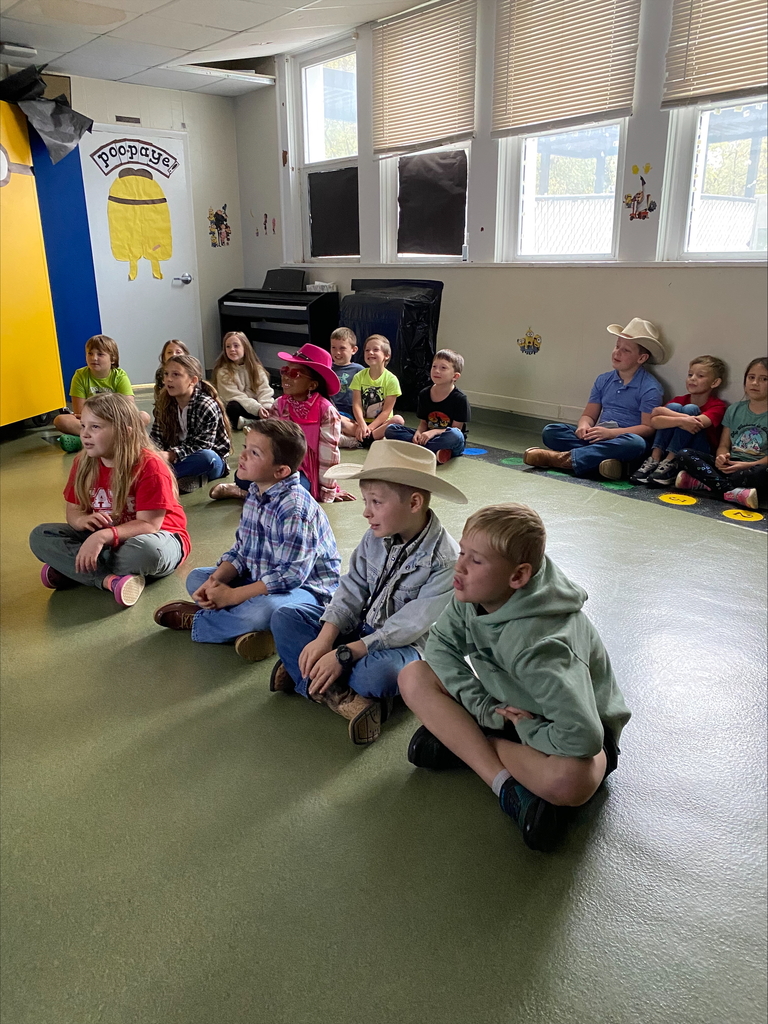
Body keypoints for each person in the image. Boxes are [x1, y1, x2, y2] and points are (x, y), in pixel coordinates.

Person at [398, 502, 631, 852]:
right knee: (413, 676)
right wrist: (485, 709)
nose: (459, 566)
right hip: (507, 712)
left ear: (518, 576)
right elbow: (442, 647)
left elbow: (582, 737)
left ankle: (466, 746)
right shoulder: (475, 592)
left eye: (476, 560)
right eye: (462, 551)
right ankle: (505, 784)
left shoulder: (542, 646)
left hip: (570, 735)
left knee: (571, 782)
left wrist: (523, 729)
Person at [269, 440, 467, 746]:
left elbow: (408, 628)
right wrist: (325, 638)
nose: (366, 512)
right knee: (285, 617)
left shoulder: (446, 561)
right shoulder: (378, 532)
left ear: (414, 503)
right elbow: (352, 586)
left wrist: (344, 652)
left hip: (402, 647)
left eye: (375, 501)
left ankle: (306, 673)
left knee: (376, 675)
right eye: (365, 500)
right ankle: (343, 697)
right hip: (358, 629)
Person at [153, 418, 341, 660]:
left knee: (266, 610)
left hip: (306, 591)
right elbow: (242, 551)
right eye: (245, 448)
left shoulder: (294, 508)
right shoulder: (255, 491)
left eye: (254, 453)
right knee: (196, 578)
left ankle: (202, 621)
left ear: (281, 471)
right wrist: (215, 581)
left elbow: (291, 576)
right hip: (261, 577)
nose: (242, 456)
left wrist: (232, 596)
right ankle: (250, 629)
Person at [30, 393, 189, 608]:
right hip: (107, 539)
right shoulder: (83, 463)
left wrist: (103, 536)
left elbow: (149, 525)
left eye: (95, 427)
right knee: (40, 536)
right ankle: (108, 580)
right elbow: (74, 511)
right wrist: (81, 522)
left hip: (156, 537)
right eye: (83, 425)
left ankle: (75, 567)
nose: (84, 434)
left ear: (125, 433)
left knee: (146, 553)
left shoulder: (150, 466)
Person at [524, 318, 666, 480]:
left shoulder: (650, 387)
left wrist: (611, 434)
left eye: (626, 350)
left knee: (635, 444)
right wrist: (584, 426)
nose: (617, 352)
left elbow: (647, 427)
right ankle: (604, 461)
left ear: (641, 358)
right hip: (599, 436)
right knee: (551, 431)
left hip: (623, 438)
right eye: (617, 346)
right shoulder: (603, 380)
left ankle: (562, 459)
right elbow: (589, 415)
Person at [675, 356, 767, 510]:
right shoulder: (735, 409)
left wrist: (747, 464)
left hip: (753, 467)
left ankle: (705, 483)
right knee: (684, 454)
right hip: (730, 465)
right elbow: (724, 445)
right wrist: (721, 458)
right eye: (751, 377)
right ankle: (730, 491)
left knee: (762, 473)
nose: (755, 383)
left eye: (764, 379)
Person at [269, 343, 354, 503]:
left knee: (293, 493)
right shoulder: (279, 404)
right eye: (285, 371)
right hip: (278, 465)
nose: (286, 376)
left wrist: (327, 490)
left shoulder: (326, 411)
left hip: (304, 471)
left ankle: (249, 493)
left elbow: (329, 456)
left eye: (294, 373)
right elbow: (268, 442)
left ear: (312, 385)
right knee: (243, 478)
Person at [632, 355, 727, 486]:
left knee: (690, 409)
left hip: (699, 451)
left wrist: (663, 412)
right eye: (690, 374)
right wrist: (680, 421)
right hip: (675, 444)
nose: (693, 379)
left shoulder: (717, 406)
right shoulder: (679, 400)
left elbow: (697, 423)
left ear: (715, 382)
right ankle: (655, 459)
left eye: (700, 376)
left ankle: (670, 463)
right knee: (674, 407)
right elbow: (654, 422)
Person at [150, 354, 231, 493]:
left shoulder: (206, 405)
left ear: (192, 380)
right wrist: (154, 453)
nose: (168, 379)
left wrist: (170, 456)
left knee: (207, 457)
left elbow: (202, 446)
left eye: (176, 375)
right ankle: (188, 479)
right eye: (166, 374)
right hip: (175, 460)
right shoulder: (163, 403)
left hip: (207, 461)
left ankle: (159, 478)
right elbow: (156, 436)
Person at [54, 334, 150, 450]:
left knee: (143, 416)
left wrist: (105, 418)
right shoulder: (80, 376)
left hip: (115, 420)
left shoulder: (119, 376)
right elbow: (80, 412)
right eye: (90, 353)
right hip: (91, 422)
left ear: (112, 358)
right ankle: (116, 440)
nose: (94, 358)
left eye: (100, 354)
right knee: (61, 420)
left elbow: (128, 408)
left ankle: (84, 442)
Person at [385, 348, 470, 464]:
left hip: (448, 439)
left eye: (443, 368)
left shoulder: (460, 399)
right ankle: (433, 451)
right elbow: (424, 423)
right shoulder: (424, 394)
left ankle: (419, 450)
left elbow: (457, 429)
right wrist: (418, 433)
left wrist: (433, 432)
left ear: (455, 376)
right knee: (391, 429)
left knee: (455, 435)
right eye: (434, 366)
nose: (436, 371)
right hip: (427, 437)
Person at [212, 331, 275, 430]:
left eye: (236, 346)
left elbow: (264, 390)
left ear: (245, 347)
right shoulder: (223, 372)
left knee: (276, 405)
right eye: (228, 347)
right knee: (232, 408)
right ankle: (256, 422)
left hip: (257, 406)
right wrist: (257, 409)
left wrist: (265, 407)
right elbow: (235, 396)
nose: (232, 349)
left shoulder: (256, 369)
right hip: (244, 407)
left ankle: (253, 422)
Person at [350, 335, 405, 445]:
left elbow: (386, 411)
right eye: (367, 350)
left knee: (398, 420)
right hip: (361, 423)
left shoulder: (391, 380)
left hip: (380, 424)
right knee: (337, 417)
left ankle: (363, 439)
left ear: (386, 355)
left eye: (375, 350)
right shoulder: (358, 376)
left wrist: (369, 428)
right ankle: (370, 439)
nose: (370, 352)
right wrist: (362, 424)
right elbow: (356, 404)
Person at [329, 327, 365, 449]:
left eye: (342, 348)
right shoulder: (327, 368)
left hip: (349, 412)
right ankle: (341, 437)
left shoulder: (359, 370)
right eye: (333, 347)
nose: (337, 352)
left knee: (340, 421)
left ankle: (341, 436)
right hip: (329, 409)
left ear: (353, 350)